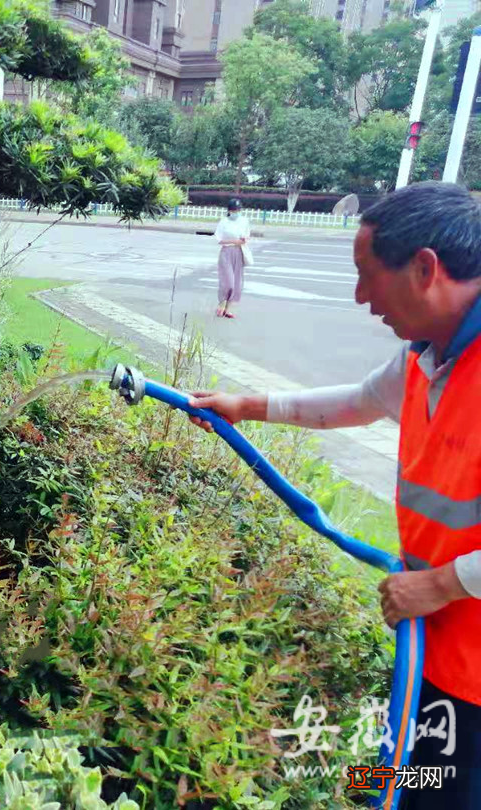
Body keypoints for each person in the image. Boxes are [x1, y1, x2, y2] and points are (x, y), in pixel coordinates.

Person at [188, 182, 481, 807]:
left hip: (474, 675)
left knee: (444, 789)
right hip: (435, 648)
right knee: (402, 772)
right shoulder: (427, 357)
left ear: (425, 269)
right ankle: (352, 795)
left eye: (367, 276)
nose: (360, 297)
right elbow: (354, 401)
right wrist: (245, 406)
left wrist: (441, 583)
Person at [213, 198, 250, 319]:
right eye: (233, 210)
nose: (236, 212)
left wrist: (244, 240)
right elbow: (219, 239)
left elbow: (247, 236)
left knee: (237, 283)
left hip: (239, 252)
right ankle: (222, 303)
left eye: (238, 210)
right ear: (229, 211)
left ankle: (228, 308)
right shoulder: (224, 222)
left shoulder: (244, 221)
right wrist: (234, 241)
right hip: (226, 252)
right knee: (228, 282)